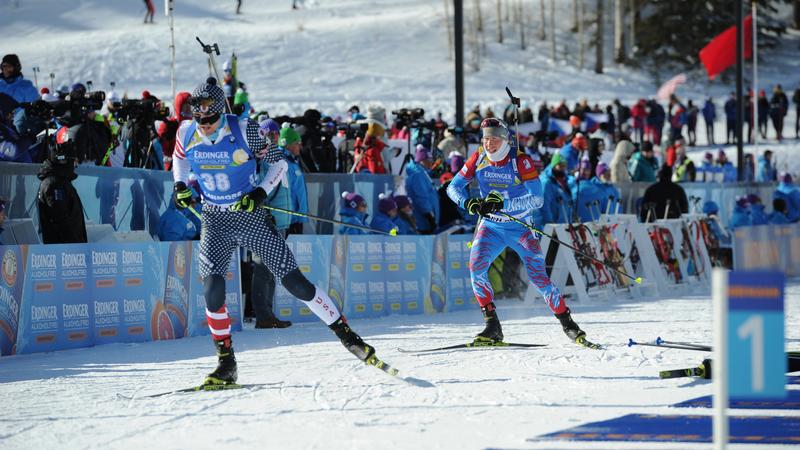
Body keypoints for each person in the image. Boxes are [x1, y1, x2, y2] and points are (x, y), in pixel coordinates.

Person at [172, 77, 379, 385]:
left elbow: (279, 164)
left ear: (220, 113)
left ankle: (346, 334)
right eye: (199, 120)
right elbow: (179, 160)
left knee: (294, 282)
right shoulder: (186, 131)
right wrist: (179, 186)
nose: (205, 127)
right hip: (214, 217)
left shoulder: (244, 130)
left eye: (210, 121)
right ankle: (226, 362)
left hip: (249, 216)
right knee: (212, 290)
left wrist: (259, 193)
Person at [446, 118, 589, 345]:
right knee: (476, 268)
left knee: (539, 278)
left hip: (520, 227)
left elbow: (537, 199)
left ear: (504, 139)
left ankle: (568, 323)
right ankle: (492, 326)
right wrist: (469, 203)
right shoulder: (479, 157)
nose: (488, 144)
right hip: (491, 226)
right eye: (484, 139)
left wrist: (503, 204)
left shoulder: (520, 160)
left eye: (493, 139)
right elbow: (452, 187)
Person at [37, 127, 88, 244]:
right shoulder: (53, 184)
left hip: (69, 251)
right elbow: (60, 219)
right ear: (64, 161)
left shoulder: (61, 182)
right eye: (73, 160)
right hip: (63, 253)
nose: (75, 165)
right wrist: (75, 246)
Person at [277, 124, 308, 235]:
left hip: (296, 217)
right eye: (296, 143)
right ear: (287, 144)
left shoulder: (292, 161)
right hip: (289, 219)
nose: (299, 147)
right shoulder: (283, 163)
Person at [404, 145, 439, 234]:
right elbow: (422, 197)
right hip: (423, 222)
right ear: (422, 160)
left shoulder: (422, 173)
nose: (431, 162)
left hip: (425, 221)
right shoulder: (418, 175)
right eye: (429, 159)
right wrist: (429, 217)